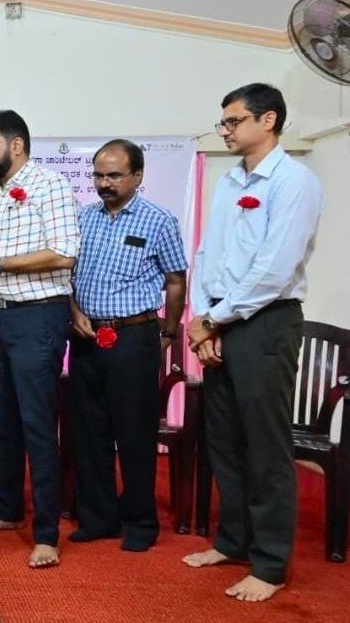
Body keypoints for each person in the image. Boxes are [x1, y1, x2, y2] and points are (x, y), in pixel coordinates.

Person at [183, 83, 323, 602]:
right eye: (222, 122)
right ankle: (233, 540)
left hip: (265, 322)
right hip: (220, 320)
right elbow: (207, 253)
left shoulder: (294, 182)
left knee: (265, 446)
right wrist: (205, 317)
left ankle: (269, 563)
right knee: (225, 440)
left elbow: (274, 268)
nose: (225, 130)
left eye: (234, 120)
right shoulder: (228, 180)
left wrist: (213, 319)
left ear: (268, 120)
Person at [0, 110, 79, 568]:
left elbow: (64, 253)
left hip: (38, 316)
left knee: (37, 423)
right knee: (1, 420)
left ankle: (46, 533)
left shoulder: (50, 185)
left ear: (17, 145)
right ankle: (7, 511)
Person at [68, 139, 188, 552]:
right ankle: (98, 518)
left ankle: (140, 522)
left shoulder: (159, 220)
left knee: (135, 432)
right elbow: (67, 274)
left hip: (134, 337)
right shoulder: (84, 218)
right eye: (99, 175)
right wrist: (73, 311)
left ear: (138, 176)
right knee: (89, 432)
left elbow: (175, 279)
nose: (105, 183)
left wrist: (168, 333)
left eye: (115, 175)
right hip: (86, 336)